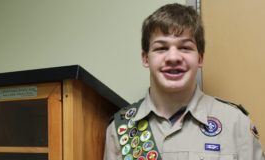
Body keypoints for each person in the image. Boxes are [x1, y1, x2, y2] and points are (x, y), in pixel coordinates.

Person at [104, 3, 265, 160]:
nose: (173, 58)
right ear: (146, 58)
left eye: (185, 48)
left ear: (200, 58)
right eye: (161, 48)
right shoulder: (121, 128)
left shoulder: (236, 124)